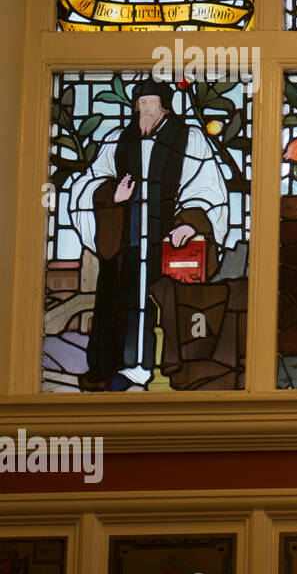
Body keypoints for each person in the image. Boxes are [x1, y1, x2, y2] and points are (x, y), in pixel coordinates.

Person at [68, 79, 229, 391]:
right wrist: (112, 196)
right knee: (118, 300)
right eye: (140, 104)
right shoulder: (118, 139)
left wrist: (191, 222)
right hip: (124, 242)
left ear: (164, 106)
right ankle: (116, 368)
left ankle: (163, 371)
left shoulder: (189, 138)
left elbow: (207, 187)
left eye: (150, 104)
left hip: (168, 243)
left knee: (169, 303)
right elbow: (89, 182)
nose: (144, 110)